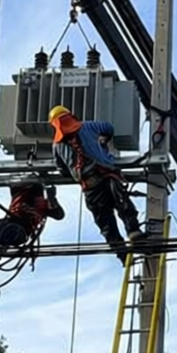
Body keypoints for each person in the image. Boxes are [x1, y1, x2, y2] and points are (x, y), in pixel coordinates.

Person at [49, 105, 146, 266]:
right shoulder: (89, 126)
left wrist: (73, 168)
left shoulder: (57, 145)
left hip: (90, 186)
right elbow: (108, 128)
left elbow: (62, 170)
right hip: (108, 177)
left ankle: (121, 253)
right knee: (123, 204)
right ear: (71, 116)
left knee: (105, 221)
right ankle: (133, 231)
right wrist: (102, 140)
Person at [0, 180, 65, 276]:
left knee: (11, 229)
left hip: (21, 231)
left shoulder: (43, 204)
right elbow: (14, 184)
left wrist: (52, 197)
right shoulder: (19, 193)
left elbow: (59, 214)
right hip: (6, 223)